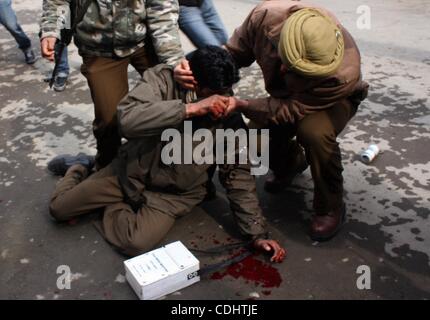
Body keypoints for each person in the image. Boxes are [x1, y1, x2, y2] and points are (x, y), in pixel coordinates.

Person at [47, 46, 286, 261]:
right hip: (129, 172)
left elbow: (238, 175)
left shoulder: (229, 114)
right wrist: (189, 109)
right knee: (59, 209)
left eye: (226, 92)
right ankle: (79, 168)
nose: (222, 100)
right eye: (213, 93)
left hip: (173, 195)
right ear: (193, 82)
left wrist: (256, 233)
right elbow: (128, 120)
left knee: (135, 242)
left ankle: (109, 203)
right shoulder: (163, 79)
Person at [175, 1, 369, 241]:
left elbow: (290, 111)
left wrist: (242, 105)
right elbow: (233, 54)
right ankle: (291, 164)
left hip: (329, 102)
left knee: (313, 133)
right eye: (287, 62)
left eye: (300, 71)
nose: (285, 70)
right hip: (284, 99)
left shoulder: (343, 73)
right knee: (255, 143)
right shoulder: (265, 17)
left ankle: (330, 205)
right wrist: (196, 70)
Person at [40, 0, 184, 169]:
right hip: (98, 49)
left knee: (176, 100)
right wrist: (51, 28)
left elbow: (162, 9)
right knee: (109, 123)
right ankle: (107, 171)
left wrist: (173, 61)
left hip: (147, 42)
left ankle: (171, 167)